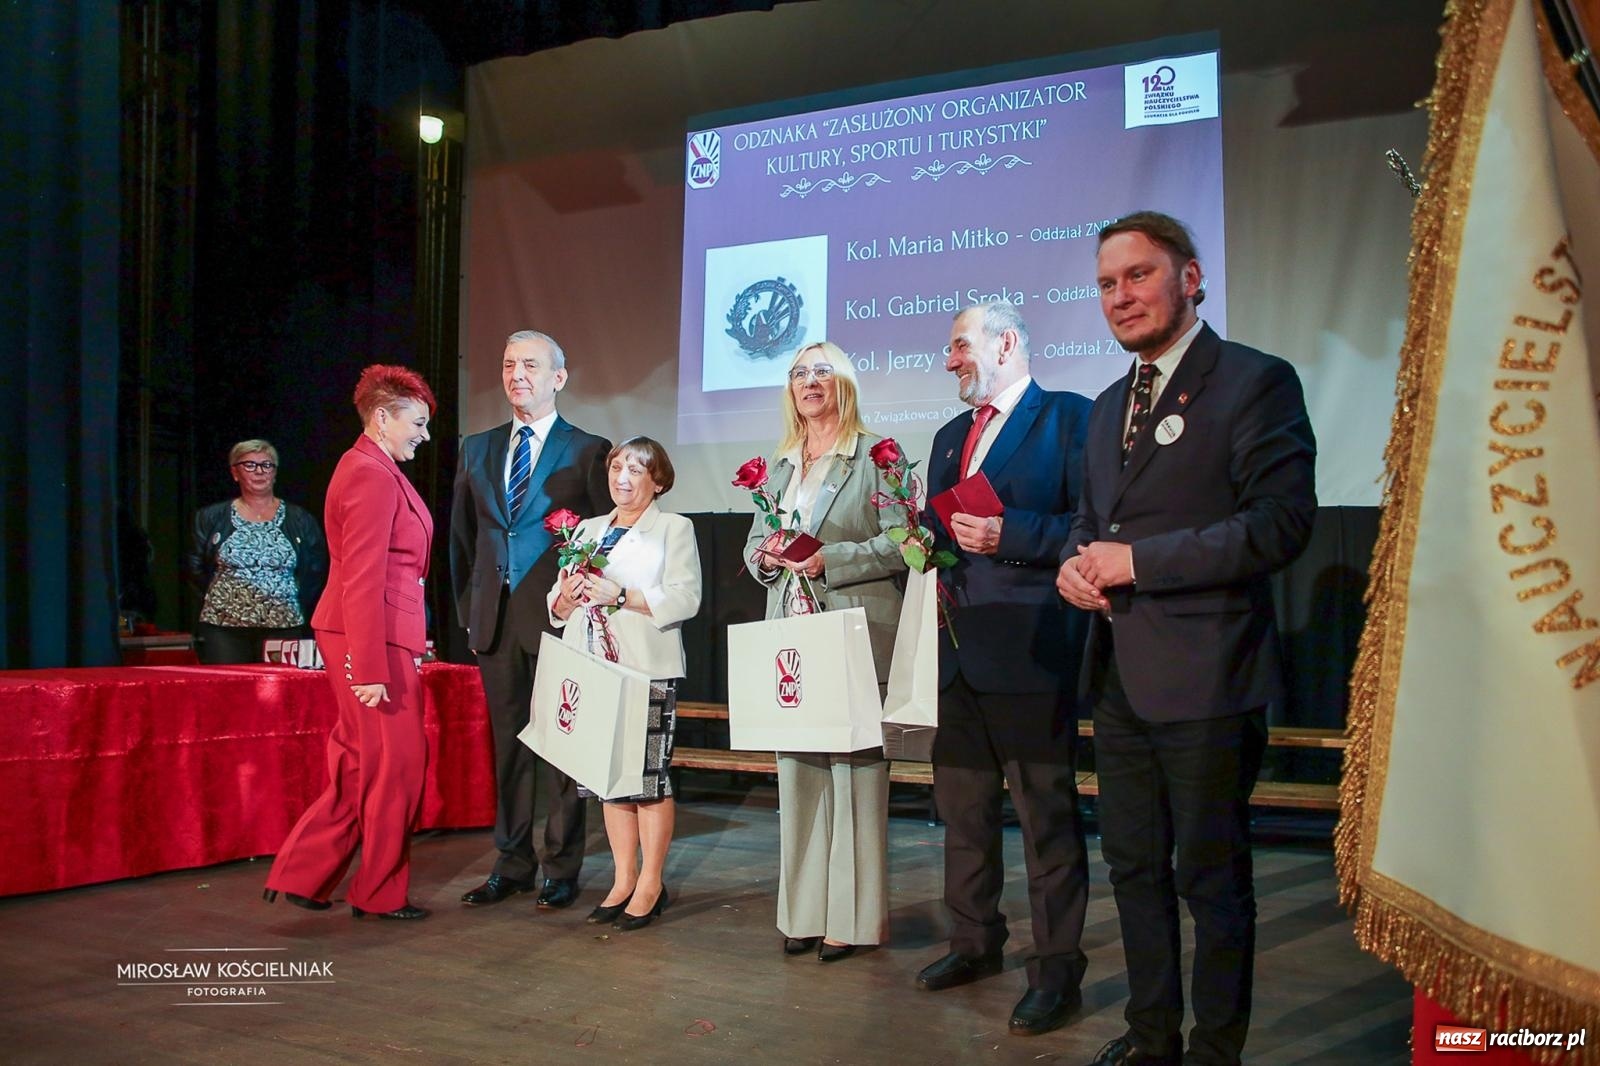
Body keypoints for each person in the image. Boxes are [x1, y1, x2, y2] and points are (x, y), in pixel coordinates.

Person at [1059, 212, 1316, 1066]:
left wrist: (1139, 563)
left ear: (1191, 279)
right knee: (1133, 871)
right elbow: (1093, 526)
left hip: (1209, 679)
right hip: (1120, 681)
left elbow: (1278, 526)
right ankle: (1150, 1040)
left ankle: (1215, 1052)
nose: (1120, 297)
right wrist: (1076, 567)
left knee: (1210, 880)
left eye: (1137, 276)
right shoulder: (1103, 410)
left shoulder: (1254, 382)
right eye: (1105, 284)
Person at [916, 300, 1093, 1037]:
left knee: (1045, 820)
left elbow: (1091, 525)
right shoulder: (950, 435)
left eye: (960, 345)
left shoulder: (1070, 419)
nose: (951, 360)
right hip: (956, 651)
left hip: (1029, 650)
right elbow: (939, 533)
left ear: (1006, 343)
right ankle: (974, 943)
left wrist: (1009, 532)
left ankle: (1056, 973)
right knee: (963, 813)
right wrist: (918, 541)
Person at [742, 341, 907, 963]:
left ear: (845, 383)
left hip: (853, 633)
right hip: (791, 635)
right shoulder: (780, 465)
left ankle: (855, 919)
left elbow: (902, 541)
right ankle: (804, 913)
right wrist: (761, 558)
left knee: (856, 776)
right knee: (800, 775)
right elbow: (758, 543)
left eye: (822, 371)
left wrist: (829, 559)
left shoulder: (878, 457)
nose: (809, 382)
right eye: (798, 373)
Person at [264, 365, 437, 920]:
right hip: (370, 639)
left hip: (377, 634)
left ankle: (305, 874)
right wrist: (369, 667)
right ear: (383, 418)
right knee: (396, 767)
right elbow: (363, 574)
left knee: (365, 762)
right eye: (418, 422)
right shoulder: (368, 472)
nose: (424, 435)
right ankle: (379, 894)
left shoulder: (373, 466)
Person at [451, 330, 611, 910]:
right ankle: (511, 862)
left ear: (558, 378)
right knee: (508, 747)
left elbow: (602, 541)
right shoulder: (477, 447)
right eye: (509, 364)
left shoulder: (590, 450)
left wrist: (590, 614)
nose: (518, 374)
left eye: (531, 365)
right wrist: (471, 613)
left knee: (565, 747)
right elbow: (463, 541)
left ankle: (561, 866)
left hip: (560, 621)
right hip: (494, 621)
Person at [547, 436, 702, 930]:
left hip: (644, 669)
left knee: (648, 780)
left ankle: (652, 883)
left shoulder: (674, 528)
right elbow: (557, 603)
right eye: (617, 467)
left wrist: (621, 595)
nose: (623, 477)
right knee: (610, 783)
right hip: (592, 671)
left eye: (636, 469)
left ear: (657, 480)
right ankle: (622, 879)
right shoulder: (587, 529)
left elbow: (685, 599)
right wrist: (567, 598)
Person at [186, 439, 326, 663]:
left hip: (285, 623)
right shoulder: (210, 517)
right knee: (230, 694)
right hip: (224, 626)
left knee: (283, 693)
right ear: (235, 473)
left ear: (275, 472)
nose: (259, 472)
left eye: (267, 465)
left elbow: (315, 570)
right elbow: (196, 568)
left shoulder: (300, 519)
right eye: (250, 465)